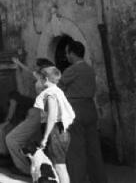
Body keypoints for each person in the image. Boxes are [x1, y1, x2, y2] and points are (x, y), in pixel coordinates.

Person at [60, 41, 107, 183]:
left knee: (76, 151)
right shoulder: (89, 69)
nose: (66, 55)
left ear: (72, 53)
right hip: (90, 108)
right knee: (94, 150)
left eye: (67, 52)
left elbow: (58, 88)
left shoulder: (71, 70)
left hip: (75, 110)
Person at [6, 58, 55, 175]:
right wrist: (19, 64)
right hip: (41, 115)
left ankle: (26, 170)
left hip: (43, 116)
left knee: (12, 139)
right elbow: (29, 72)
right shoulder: (43, 78)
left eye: (37, 67)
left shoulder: (47, 81)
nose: (35, 69)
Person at [33, 67, 75, 183]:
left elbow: (52, 116)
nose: (39, 81)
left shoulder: (50, 94)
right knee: (60, 165)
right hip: (62, 130)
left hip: (55, 131)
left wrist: (45, 137)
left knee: (60, 167)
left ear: (45, 79)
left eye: (40, 79)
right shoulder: (58, 91)